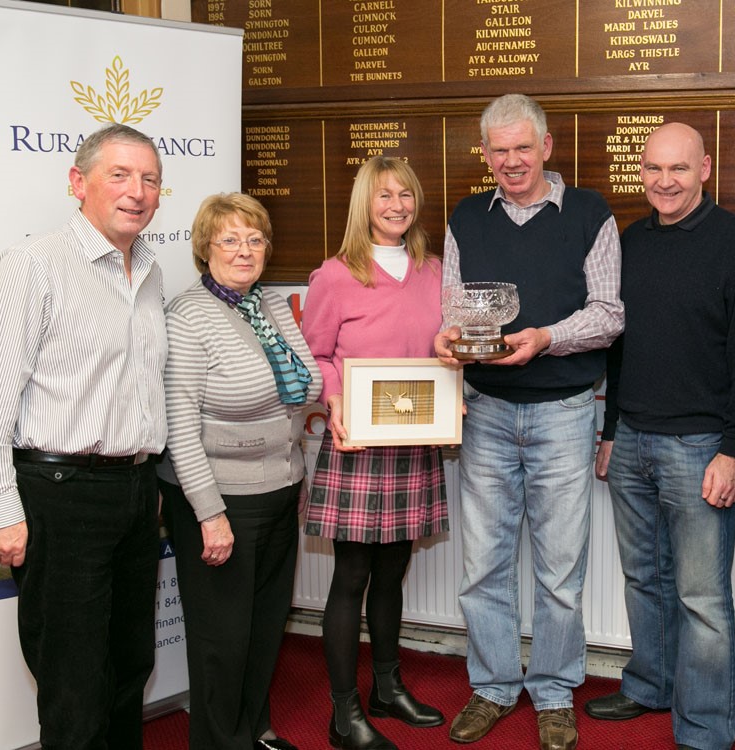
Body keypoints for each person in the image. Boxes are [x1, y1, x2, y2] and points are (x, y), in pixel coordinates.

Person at [0, 123, 166, 750]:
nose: (137, 191)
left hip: (132, 490)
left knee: (130, 665)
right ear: (78, 183)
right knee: (73, 681)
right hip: (58, 492)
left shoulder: (149, 271)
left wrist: (143, 479)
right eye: (119, 175)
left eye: (150, 179)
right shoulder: (33, 265)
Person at [434, 94, 624, 750]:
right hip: (486, 411)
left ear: (546, 147)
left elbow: (607, 313)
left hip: (565, 412)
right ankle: (491, 686)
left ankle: (551, 691)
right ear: (484, 155)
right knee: (483, 563)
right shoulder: (465, 218)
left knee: (560, 565)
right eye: (498, 150)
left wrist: (543, 338)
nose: (511, 161)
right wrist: (446, 339)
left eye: (523, 148)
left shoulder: (591, 214)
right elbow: (451, 312)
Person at [583, 122, 735, 750]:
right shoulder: (631, 241)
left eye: (680, 169)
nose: (665, 181)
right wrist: (610, 430)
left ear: (705, 168)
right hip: (631, 436)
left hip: (700, 448)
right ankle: (651, 685)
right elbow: (616, 345)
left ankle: (707, 727)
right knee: (645, 578)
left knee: (701, 595)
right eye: (654, 168)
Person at [155, 193, 322, 750]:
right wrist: (210, 514)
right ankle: (218, 741)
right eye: (229, 239)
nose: (244, 250)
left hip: (278, 487)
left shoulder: (270, 304)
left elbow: (305, 390)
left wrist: (294, 471)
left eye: (254, 239)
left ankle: (255, 730)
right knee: (221, 637)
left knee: (264, 625)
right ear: (206, 248)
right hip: (221, 500)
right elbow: (179, 427)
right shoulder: (188, 315)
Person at [302, 155, 448, 750]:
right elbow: (316, 355)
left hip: (414, 442)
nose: (396, 206)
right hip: (358, 443)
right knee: (352, 576)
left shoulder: (435, 270)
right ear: (365, 203)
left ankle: (388, 689)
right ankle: (345, 712)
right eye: (384, 196)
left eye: (406, 195)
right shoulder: (334, 276)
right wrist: (336, 399)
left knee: (394, 574)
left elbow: (448, 344)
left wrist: (454, 381)